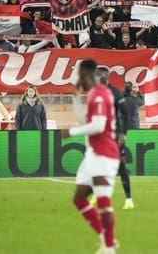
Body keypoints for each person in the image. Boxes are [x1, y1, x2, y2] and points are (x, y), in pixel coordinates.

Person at [63, 59, 119, 254]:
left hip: (103, 154)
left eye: (77, 74)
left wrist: (72, 133)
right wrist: (76, 99)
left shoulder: (101, 95)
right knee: (79, 199)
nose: (76, 78)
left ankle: (109, 247)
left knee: (103, 201)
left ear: (84, 74)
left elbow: (98, 126)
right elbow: (84, 119)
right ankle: (106, 238)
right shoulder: (94, 95)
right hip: (93, 155)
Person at [95, 69, 135, 211]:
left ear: (106, 77)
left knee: (121, 167)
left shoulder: (115, 92)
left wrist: (123, 133)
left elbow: (125, 113)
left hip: (114, 134)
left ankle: (129, 199)